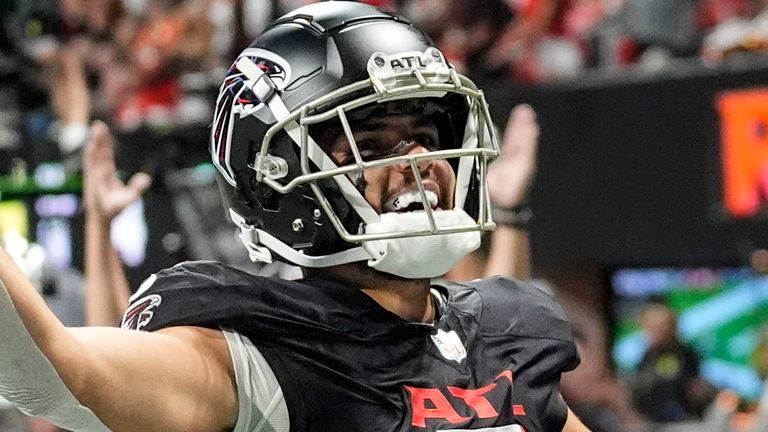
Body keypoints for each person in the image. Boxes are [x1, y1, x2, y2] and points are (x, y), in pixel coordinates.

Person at [0, 2, 590, 431]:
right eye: (374, 144)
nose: (419, 162)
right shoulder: (260, 354)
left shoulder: (505, 330)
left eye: (426, 136)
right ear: (276, 179)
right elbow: (59, 375)